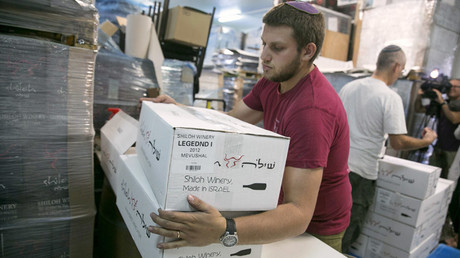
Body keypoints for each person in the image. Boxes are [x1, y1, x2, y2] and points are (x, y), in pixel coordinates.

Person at [142, 2, 352, 252]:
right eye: (264, 43)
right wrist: (181, 111)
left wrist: (223, 230)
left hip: (315, 227)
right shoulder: (273, 80)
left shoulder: (312, 111)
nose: (264, 55)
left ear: (307, 51)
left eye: (277, 48)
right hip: (279, 205)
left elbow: (299, 214)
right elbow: (229, 121)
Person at [338, 45, 438, 253]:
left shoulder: (349, 87)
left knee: (330, 226)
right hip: (361, 174)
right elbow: (398, 142)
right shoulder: (389, 97)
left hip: (337, 167)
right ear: (396, 66)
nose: (399, 75)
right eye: (401, 71)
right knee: (349, 231)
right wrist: (426, 142)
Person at [415, 78, 460, 179]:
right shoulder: (444, 103)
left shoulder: (444, 104)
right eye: (449, 86)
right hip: (438, 148)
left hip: (453, 151)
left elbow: (454, 119)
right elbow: (418, 109)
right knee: (432, 178)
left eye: (455, 86)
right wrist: (419, 95)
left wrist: (442, 102)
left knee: (449, 180)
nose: (451, 88)